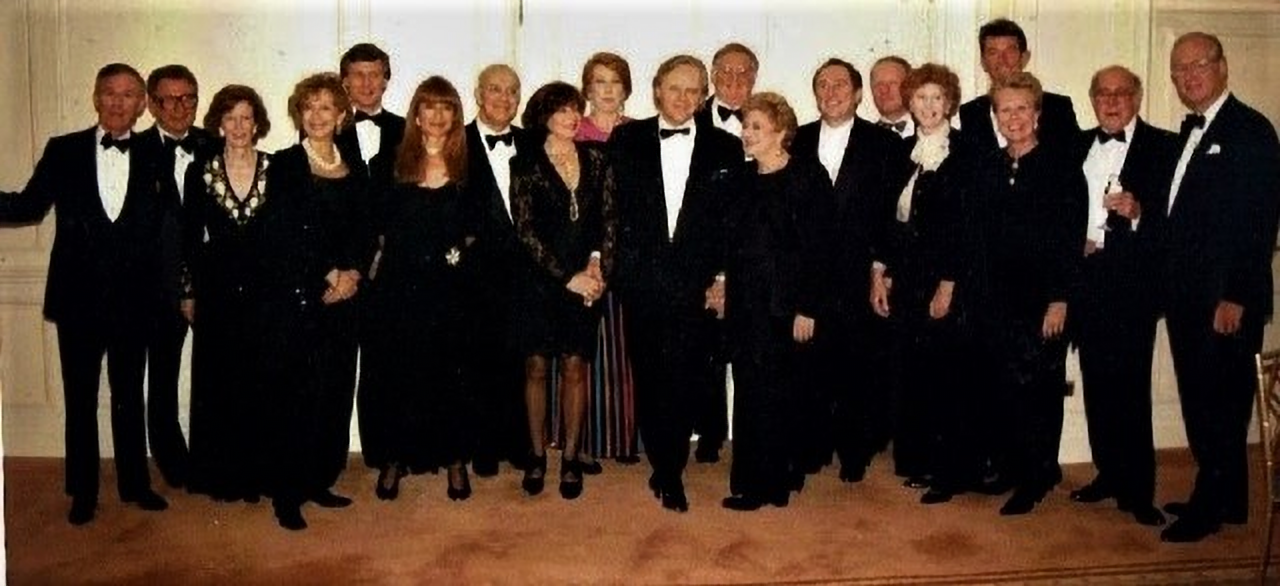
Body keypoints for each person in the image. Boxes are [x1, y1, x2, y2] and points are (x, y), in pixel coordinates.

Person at [0, 63, 169, 525]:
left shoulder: (157, 155)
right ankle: (83, 490)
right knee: (79, 397)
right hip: (78, 299)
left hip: (136, 300)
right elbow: (27, 206)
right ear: (96, 98)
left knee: (129, 394)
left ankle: (136, 484)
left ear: (141, 104)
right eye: (109, 93)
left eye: (128, 94)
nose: (118, 102)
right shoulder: (64, 150)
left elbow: (169, 228)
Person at [1159, 32, 1280, 543]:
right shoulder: (1192, 130)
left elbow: (1259, 222)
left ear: (1223, 66)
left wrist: (1238, 295)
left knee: (1219, 408)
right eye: (1180, 69)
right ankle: (1228, 500)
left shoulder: (1249, 131)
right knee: (1207, 402)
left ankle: (1208, 510)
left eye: (1199, 64)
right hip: (1190, 298)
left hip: (1225, 300)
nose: (1189, 75)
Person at [610, 54, 742, 512]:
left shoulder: (725, 146)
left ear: (703, 96)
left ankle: (671, 471)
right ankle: (663, 465)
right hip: (642, 281)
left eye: (693, 90)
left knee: (686, 378)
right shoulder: (625, 139)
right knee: (649, 377)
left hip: (697, 283)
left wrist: (723, 278)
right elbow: (612, 214)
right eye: (675, 88)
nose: (684, 98)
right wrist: (620, 270)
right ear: (656, 90)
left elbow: (732, 222)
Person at [970, 71, 1086, 516]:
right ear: (996, 117)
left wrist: (1060, 298)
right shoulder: (990, 167)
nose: (1013, 117)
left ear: (1037, 114)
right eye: (1005, 110)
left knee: (1038, 390)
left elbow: (1069, 238)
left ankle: (1036, 477)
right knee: (1003, 387)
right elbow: (980, 237)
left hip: (1042, 302)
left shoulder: (1060, 168)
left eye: (1021, 109)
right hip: (996, 300)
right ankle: (1011, 467)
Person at [1068, 66, 1178, 527]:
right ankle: (1108, 474)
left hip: (1131, 285)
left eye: (1121, 93)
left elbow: (1178, 223)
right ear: (1092, 99)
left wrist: (1138, 213)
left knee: (1130, 389)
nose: (1111, 101)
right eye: (1103, 94)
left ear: (1137, 97)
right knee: (1097, 386)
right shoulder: (1076, 145)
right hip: (1086, 281)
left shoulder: (1164, 147)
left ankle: (1139, 491)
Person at [260, 72, 371, 530]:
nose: (317, 116)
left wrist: (354, 274)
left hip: (346, 298)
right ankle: (287, 493)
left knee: (334, 392)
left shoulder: (356, 166)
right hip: (303, 297)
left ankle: (319, 481)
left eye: (327, 107)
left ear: (341, 115)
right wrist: (328, 273)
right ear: (298, 114)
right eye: (309, 107)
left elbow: (367, 230)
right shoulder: (284, 164)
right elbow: (283, 232)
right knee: (296, 397)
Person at [867, 63, 979, 503]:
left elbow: (966, 227)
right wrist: (879, 272)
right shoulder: (905, 152)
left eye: (936, 98)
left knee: (947, 377)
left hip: (947, 280)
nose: (927, 106)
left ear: (949, 102)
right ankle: (920, 461)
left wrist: (949, 284)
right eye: (919, 98)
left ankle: (950, 472)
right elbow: (889, 221)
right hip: (907, 280)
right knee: (912, 373)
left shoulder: (966, 152)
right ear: (908, 103)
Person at [791, 58, 902, 483]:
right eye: (823, 84)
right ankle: (813, 447)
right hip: (810, 276)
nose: (831, 91)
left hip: (861, 273)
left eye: (841, 84)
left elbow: (893, 216)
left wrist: (880, 268)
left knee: (858, 366)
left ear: (857, 94)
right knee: (809, 364)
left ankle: (855, 452)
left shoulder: (884, 144)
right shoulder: (795, 140)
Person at [722, 92, 834, 511]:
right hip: (747, 303)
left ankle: (774, 482)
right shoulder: (741, 179)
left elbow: (821, 250)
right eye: (745, 127)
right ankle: (756, 479)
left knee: (784, 392)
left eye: (756, 128)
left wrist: (808, 306)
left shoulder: (807, 177)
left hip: (788, 305)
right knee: (751, 391)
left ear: (781, 133)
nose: (746, 135)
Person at [366, 76, 475, 502]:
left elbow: (481, 226)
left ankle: (454, 460)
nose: (437, 115)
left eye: (446, 107)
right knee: (402, 376)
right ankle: (395, 458)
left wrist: (459, 255)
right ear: (416, 113)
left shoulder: (469, 164)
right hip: (401, 287)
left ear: (455, 115)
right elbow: (376, 229)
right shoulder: (389, 162)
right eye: (429, 106)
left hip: (452, 290)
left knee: (450, 377)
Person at [510, 81, 617, 500]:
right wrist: (565, 277)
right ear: (544, 116)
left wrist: (597, 268)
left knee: (576, 366)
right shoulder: (525, 164)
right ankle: (537, 455)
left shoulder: (598, 158)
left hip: (585, 279)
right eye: (562, 110)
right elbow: (526, 232)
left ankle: (571, 457)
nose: (573, 117)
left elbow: (608, 222)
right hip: (538, 280)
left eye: (576, 109)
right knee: (535, 367)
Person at [180, 84, 274, 504]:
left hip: (262, 288)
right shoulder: (200, 169)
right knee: (218, 381)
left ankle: (255, 475)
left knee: (258, 381)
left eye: (246, 118)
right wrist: (188, 291)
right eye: (231, 118)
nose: (238, 126)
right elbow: (187, 237)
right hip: (215, 287)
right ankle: (220, 476)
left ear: (257, 125)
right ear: (219, 123)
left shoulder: (276, 168)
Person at [135, 63, 214, 490]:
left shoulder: (216, 144)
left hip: (212, 284)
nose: (180, 106)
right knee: (162, 379)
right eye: (169, 99)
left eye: (188, 98)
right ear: (151, 104)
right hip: (156, 287)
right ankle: (172, 462)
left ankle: (212, 457)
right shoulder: (136, 150)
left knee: (215, 376)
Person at [463, 63, 532, 478]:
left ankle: (518, 442)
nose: (504, 98)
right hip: (477, 271)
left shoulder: (532, 142)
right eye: (495, 89)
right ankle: (483, 445)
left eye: (512, 91)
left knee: (521, 359)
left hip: (526, 270)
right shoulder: (457, 142)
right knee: (480, 359)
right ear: (478, 94)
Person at [691, 42, 758, 464]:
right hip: (705, 253)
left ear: (755, 78)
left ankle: (753, 437)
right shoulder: (689, 122)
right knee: (707, 348)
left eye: (743, 73)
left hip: (753, 254)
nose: (734, 81)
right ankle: (711, 431)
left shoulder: (770, 121)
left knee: (750, 348)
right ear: (713, 77)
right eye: (726, 73)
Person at [572, 51, 639, 467]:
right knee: (588, 350)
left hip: (630, 254)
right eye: (599, 82)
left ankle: (624, 439)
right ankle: (587, 443)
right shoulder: (571, 131)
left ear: (626, 89)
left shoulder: (641, 133)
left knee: (627, 348)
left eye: (615, 82)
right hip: (583, 254)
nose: (608, 90)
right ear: (587, 89)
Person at [958, 18, 1079, 154]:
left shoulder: (1058, 108)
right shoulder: (971, 113)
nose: (1002, 60)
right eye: (993, 53)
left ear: (1024, 57)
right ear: (983, 62)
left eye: (1010, 51)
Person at [694, 42, 757, 139]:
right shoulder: (692, 117)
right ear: (713, 76)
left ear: (753, 77)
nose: (734, 78)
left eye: (742, 72)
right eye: (727, 71)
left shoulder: (773, 119)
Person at [869, 56, 914, 139]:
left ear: (910, 87)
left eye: (893, 83)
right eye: (879, 85)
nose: (884, 90)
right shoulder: (863, 138)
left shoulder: (934, 131)